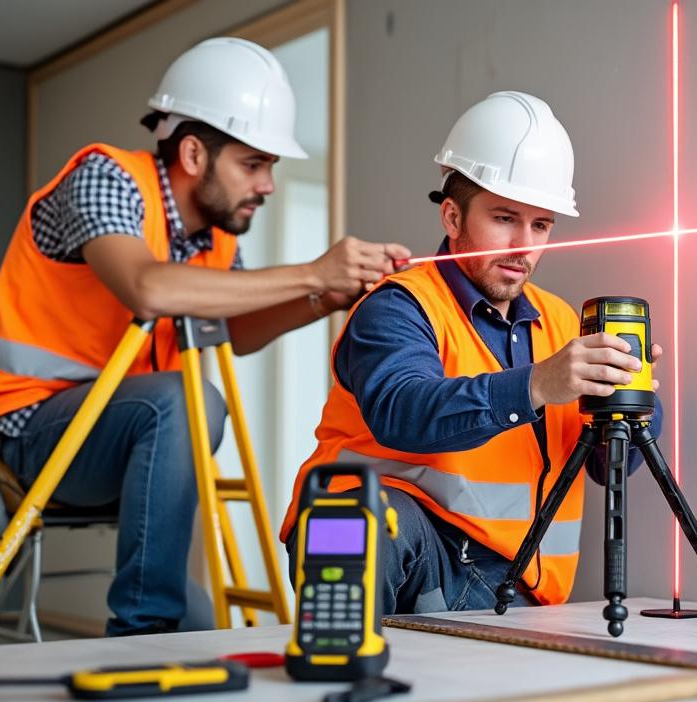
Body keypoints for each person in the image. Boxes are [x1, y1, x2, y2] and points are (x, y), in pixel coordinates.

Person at [0, 37, 408, 636]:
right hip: (30, 430)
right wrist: (310, 271)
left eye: (270, 167)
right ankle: (142, 628)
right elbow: (147, 288)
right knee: (183, 400)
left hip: (116, 430)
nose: (268, 185)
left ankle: (163, 618)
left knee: (202, 627)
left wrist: (323, 298)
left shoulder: (215, 240)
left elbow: (239, 333)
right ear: (194, 152)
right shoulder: (105, 180)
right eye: (253, 164)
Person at [281, 91, 663, 614]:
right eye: (505, 218)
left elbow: (602, 468)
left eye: (541, 225)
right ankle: (339, 671)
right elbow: (402, 411)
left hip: (518, 584)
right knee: (355, 519)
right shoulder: (398, 307)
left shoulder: (559, 322)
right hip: (403, 549)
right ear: (452, 216)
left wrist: (632, 407)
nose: (523, 245)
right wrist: (535, 384)